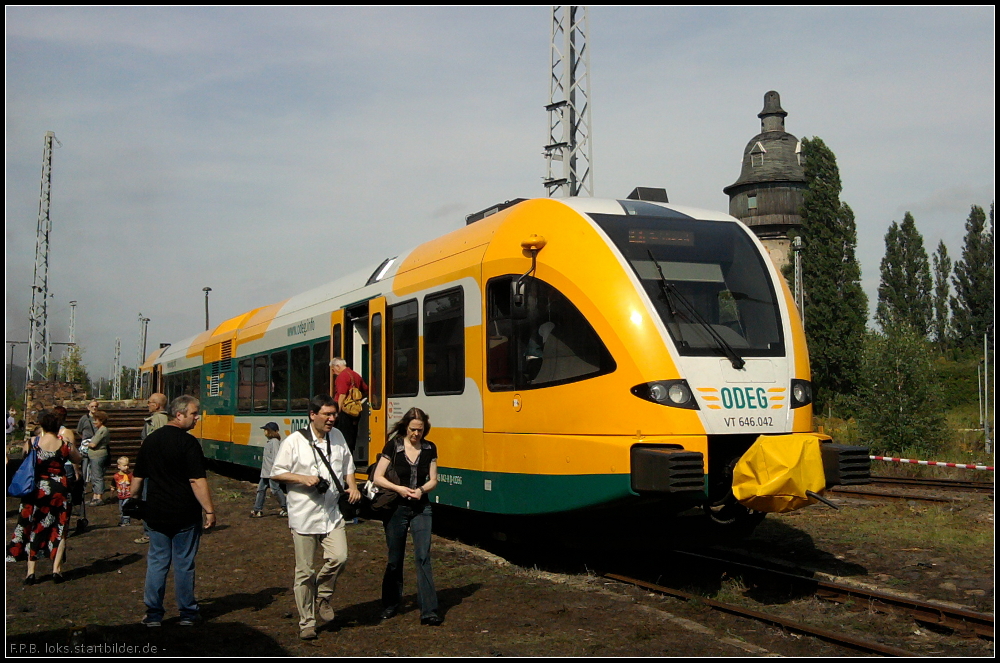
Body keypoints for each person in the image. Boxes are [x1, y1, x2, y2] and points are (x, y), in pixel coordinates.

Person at [271, 395, 361, 641]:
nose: (332, 419)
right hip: (304, 515)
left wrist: (352, 486)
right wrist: (302, 479)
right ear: (313, 415)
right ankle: (307, 622)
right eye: (327, 414)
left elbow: (348, 466)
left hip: (331, 513)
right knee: (304, 571)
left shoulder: (339, 437)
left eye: (334, 415)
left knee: (339, 557)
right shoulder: (294, 441)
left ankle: (323, 592)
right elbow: (276, 472)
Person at [131, 395, 216, 627]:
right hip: (184, 513)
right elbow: (196, 481)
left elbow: (137, 478)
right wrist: (209, 510)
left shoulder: (150, 441)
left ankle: (153, 614)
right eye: (194, 413)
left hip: (156, 512)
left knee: (157, 562)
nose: (197, 418)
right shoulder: (188, 443)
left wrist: (134, 501)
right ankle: (187, 613)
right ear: (179, 415)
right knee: (184, 563)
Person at [372, 407, 442, 626]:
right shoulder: (393, 446)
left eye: (420, 430)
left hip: (421, 507)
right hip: (397, 508)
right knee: (395, 558)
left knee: (423, 556)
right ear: (405, 427)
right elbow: (377, 477)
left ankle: (429, 610)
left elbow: (433, 479)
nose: (416, 434)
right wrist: (399, 489)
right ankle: (391, 603)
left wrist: (422, 490)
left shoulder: (430, 448)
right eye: (413, 430)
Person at [6, 410, 84, 584]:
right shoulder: (65, 444)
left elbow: (26, 460)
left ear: (41, 426)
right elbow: (77, 459)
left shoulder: (33, 442)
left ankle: (31, 572)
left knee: (35, 525)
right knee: (60, 527)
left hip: (37, 489)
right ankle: (56, 570)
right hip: (59, 488)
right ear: (58, 427)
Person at [251, 422, 287, 518]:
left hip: (271, 472)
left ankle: (286, 508)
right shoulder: (271, 442)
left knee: (275, 490)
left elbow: (276, 457)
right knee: (261, 489)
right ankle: (257, 509)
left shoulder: (274, 442)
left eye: (265, 430)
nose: (264, 432)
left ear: (270, 431)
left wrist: (275, 471)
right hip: (266, 473)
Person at [331, 358, 368, 453]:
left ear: (338, 366)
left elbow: (342, 395)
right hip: (355, 411)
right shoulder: (356, 375)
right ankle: (350, 457)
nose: (333, 373)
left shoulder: (342, 376)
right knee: (351, 436)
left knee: (342, 437)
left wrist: (337, 411)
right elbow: (366, 390)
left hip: (345, 411)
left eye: (333, 369)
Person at [85, 410, 111, 506]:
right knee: (95, 476)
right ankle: (95, 497)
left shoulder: (102, 430)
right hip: (95, 456)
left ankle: (99, 497)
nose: (94, 422)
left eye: (96, 420)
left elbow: (93, 444)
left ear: (101, 420)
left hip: (98, 456)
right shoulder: (100, 430)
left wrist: (87, 444)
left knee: (98, 476)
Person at [113, 456, 134, 526]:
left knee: (126, 507)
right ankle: (123, 520)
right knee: (121, 508)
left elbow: (133, 482)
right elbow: (114, 482)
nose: (127, 467)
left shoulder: (130, 475)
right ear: (119, 466)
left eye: (128, 465)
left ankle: (126, 521)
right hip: (120, 495)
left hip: (128, 495)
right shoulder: (116, 476)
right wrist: (112, 488)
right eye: (124, 465)